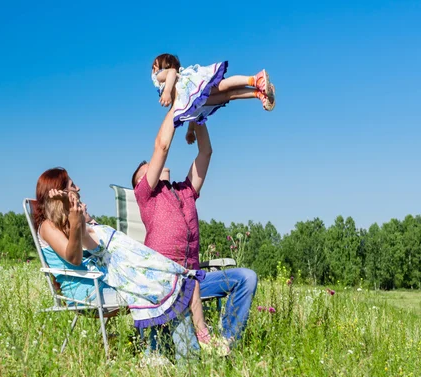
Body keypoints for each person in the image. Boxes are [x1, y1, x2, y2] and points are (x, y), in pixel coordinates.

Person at [132, 110, 258, 355]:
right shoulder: (147, 197)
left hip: (196, 280)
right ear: (141, 183)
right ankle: (193, 345)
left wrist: (198, 114)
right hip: (168, 284)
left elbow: (205, 152)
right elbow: (162, 146)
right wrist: (179, 105)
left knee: (247, 277)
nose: (153, 167)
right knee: (191, 356)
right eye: (146, 170)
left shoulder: (186, 192)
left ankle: (226, 344)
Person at [34, 167, 206, 334]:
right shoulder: (47, 226)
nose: (78, 188)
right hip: (87, 292)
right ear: (58, 192)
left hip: (102, 281)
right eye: (72, 185)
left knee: (164, 283)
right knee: (157, 288)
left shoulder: (70, 222)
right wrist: (76, 222)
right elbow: (74, 259)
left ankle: (161, 349)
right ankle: (175, 350)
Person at [151, 53, 276, 143]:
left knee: (223, 86)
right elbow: (189, 106)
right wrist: (190, 130)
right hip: (195, 98)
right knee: (227, 96)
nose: (152, 69)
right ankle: (259, 93)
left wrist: (166, 91)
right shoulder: (170, 86)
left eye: (154, 66)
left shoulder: (159, 77)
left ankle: (255, 79)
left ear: (161, 66)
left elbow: (172, 72)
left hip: (194, 88)